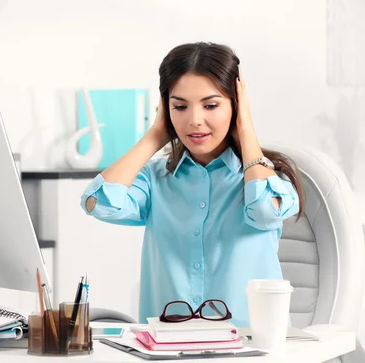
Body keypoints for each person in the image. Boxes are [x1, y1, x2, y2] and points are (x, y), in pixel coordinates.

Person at [80, 42, 304, 328]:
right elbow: (97, 203)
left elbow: (263, 211)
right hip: (167, 347)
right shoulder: (155, 179)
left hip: (249, 348)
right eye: (180, 106)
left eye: (211, 105)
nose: (194, 120)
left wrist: (247, 130)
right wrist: (155, 136)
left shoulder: (272, 179)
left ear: (235, 106)